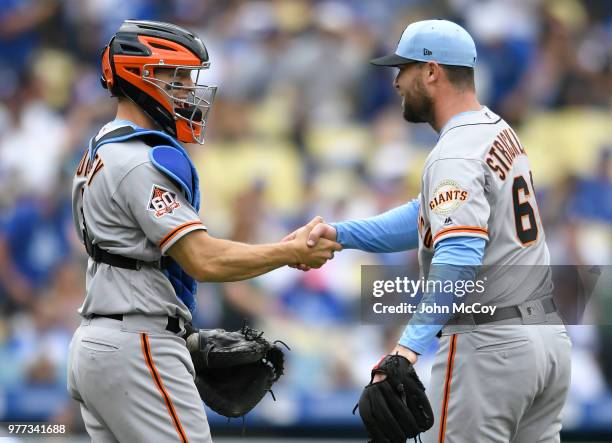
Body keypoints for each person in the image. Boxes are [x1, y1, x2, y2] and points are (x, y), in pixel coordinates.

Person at [295, 19, 572, 442]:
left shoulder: (455, 153)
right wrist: (341, 234)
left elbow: (459, 257)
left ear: (430, 71)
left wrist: (408, 347)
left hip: (490, 344)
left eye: (402, 69)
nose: (395, 82)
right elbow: (424, 216)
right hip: (546, 338)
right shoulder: (495, 129)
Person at [67, 20, 341, 443]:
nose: (187, 90)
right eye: (175, 77)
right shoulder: (139, 161)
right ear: (139, 76)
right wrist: (290, 253)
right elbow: (203, 259)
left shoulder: (101, 146)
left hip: (104, 338)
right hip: (137, 343)